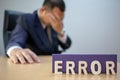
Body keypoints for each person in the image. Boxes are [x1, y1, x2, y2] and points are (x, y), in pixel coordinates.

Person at [6, 0, 71, 64]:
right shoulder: (27, 20)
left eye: (61, 19)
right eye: (56, 18)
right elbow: (15, 41)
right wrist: (15, 50)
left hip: (53, 64)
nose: (58, 22)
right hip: (34, 64)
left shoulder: (55, 25)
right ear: (43, 10)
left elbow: (67, 45)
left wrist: (60, 32)